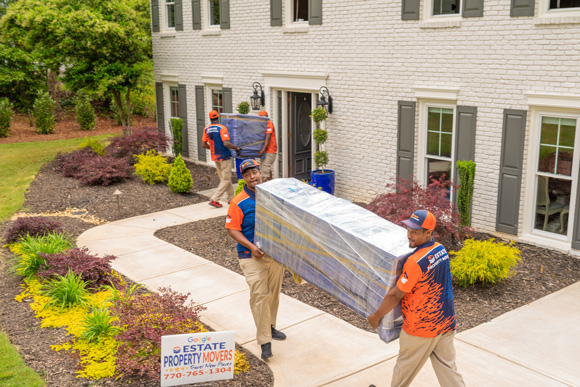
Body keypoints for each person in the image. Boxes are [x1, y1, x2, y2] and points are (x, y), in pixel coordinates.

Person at [367, 210, 465, 387]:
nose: (409, 235)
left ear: (428, 232)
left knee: (403, 370)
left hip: (421, 328)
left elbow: (396, 294)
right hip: (446, 323)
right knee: (449, 371)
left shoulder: (414, 262)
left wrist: (376, 316)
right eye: (408, 230)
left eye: (415, 232)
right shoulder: (440, 250)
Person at [225, 159, 286, 360]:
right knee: (259, 296)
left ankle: (270, 327)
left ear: (261, 173)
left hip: (274, 255)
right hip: (250, 256)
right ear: (244, 178)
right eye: (249, 174)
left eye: (255, 173)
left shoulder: (271, 196)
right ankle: (265, 341)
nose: (253, 177)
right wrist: (251, 247)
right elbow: (232, 229)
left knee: (273, 295)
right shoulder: (238, 201)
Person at [202, 110, 240, 208]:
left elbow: (203, 144)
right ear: (218, 117)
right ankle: (215, 199)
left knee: (224, 179)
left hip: (215, 157)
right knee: (226, 179)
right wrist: (236, 148)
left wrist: (213, 148)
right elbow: (226, 143)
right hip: (224, 156)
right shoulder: (222, 128)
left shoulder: (206, 129)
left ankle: (231, 199)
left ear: (210, 118)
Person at [257, 111, 277, 182]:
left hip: (270, 150)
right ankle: (271, 184)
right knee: (265, 168)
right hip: (266, 150)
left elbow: (268, 138)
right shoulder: (263, 125)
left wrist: (262, 150)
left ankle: (264, 189)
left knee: (265, 170)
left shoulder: (268, 124)